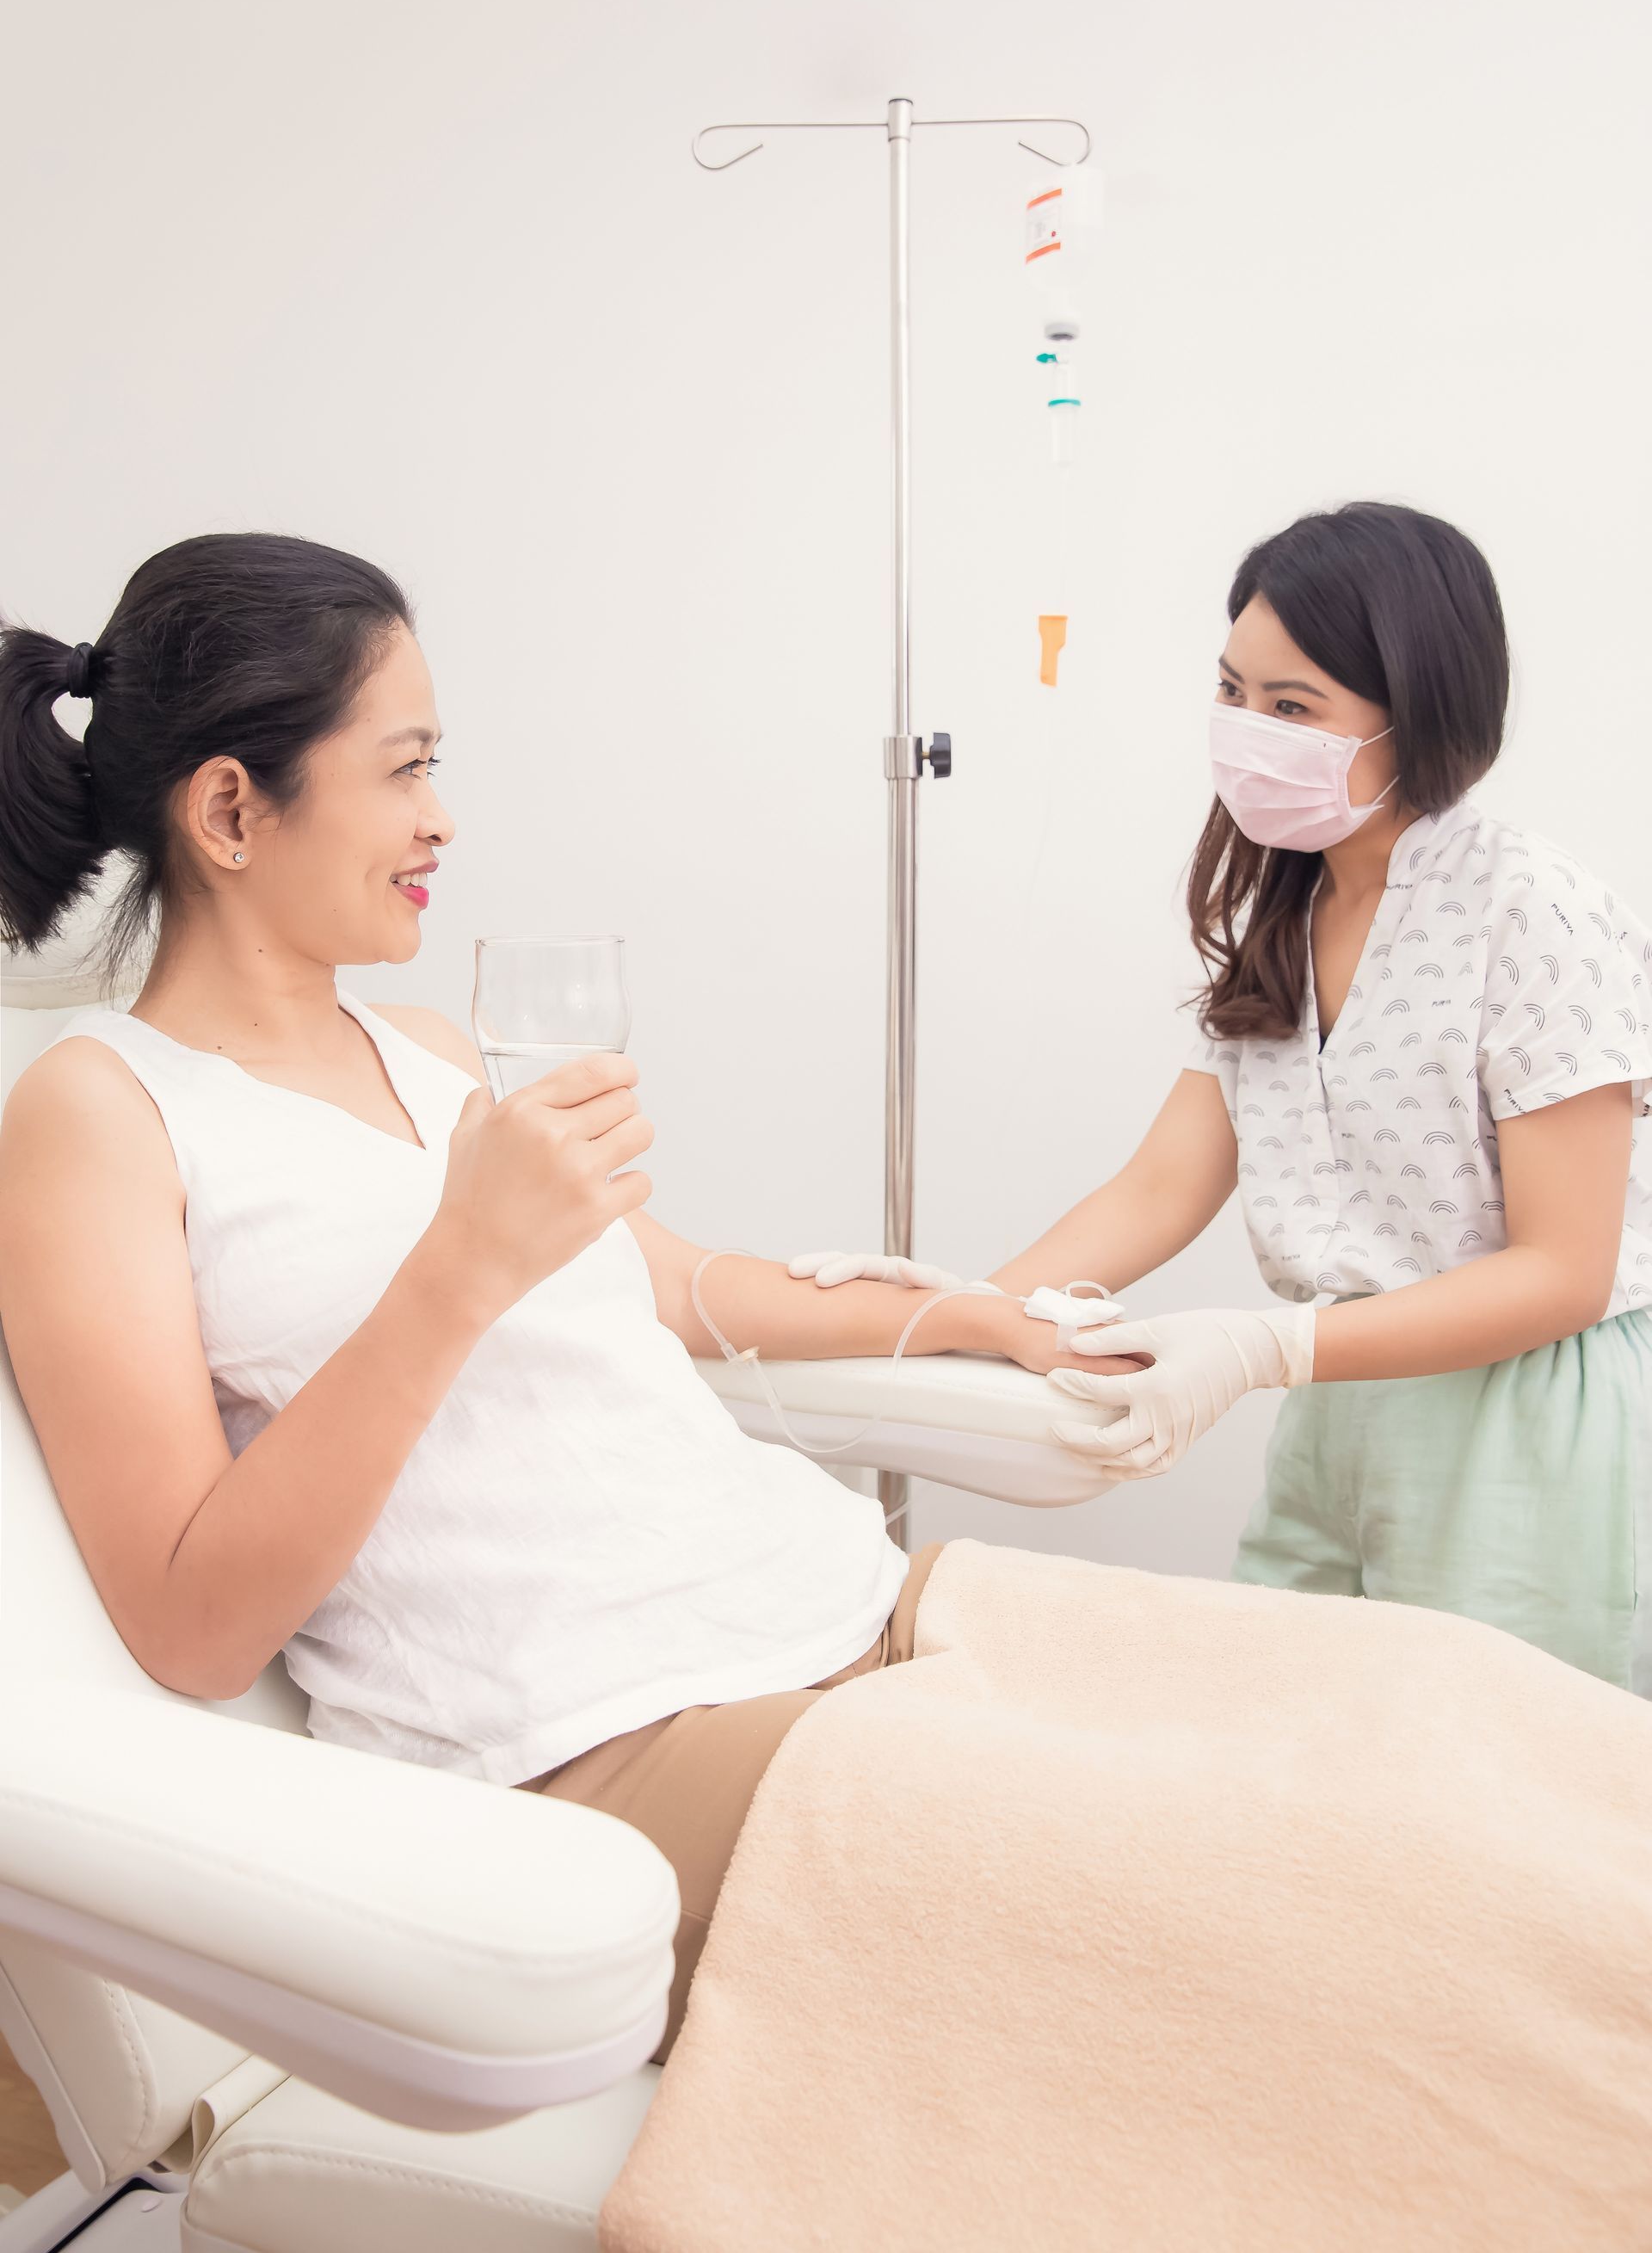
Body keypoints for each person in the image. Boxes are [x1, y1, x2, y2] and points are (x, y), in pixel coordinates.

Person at [0, 532, 1131, 2058]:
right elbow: (192, 1625)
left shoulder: (436, 1050)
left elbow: (670, 1286)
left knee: (1395, 1734)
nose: (441, 818)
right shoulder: (96, 1114)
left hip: (842, 1607)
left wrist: (963, 1311)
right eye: (403, 770)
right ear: (227, 809)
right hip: (609, 1749)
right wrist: (457, 1268)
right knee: (1267, 1881)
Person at [804, 503, 1652, 1694]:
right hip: (1341, 1397)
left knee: (1490, 1797)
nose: (1248, 732)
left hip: (1516, 1411)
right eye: (1232, 691)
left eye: (1294, 708)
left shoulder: (1535, 913)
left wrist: (1260, 1345)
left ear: (1421, 717)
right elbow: (1163, 1185)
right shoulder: (1285, 921)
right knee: (1294, 1746)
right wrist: (966, 1308)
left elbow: (1563, 1269)